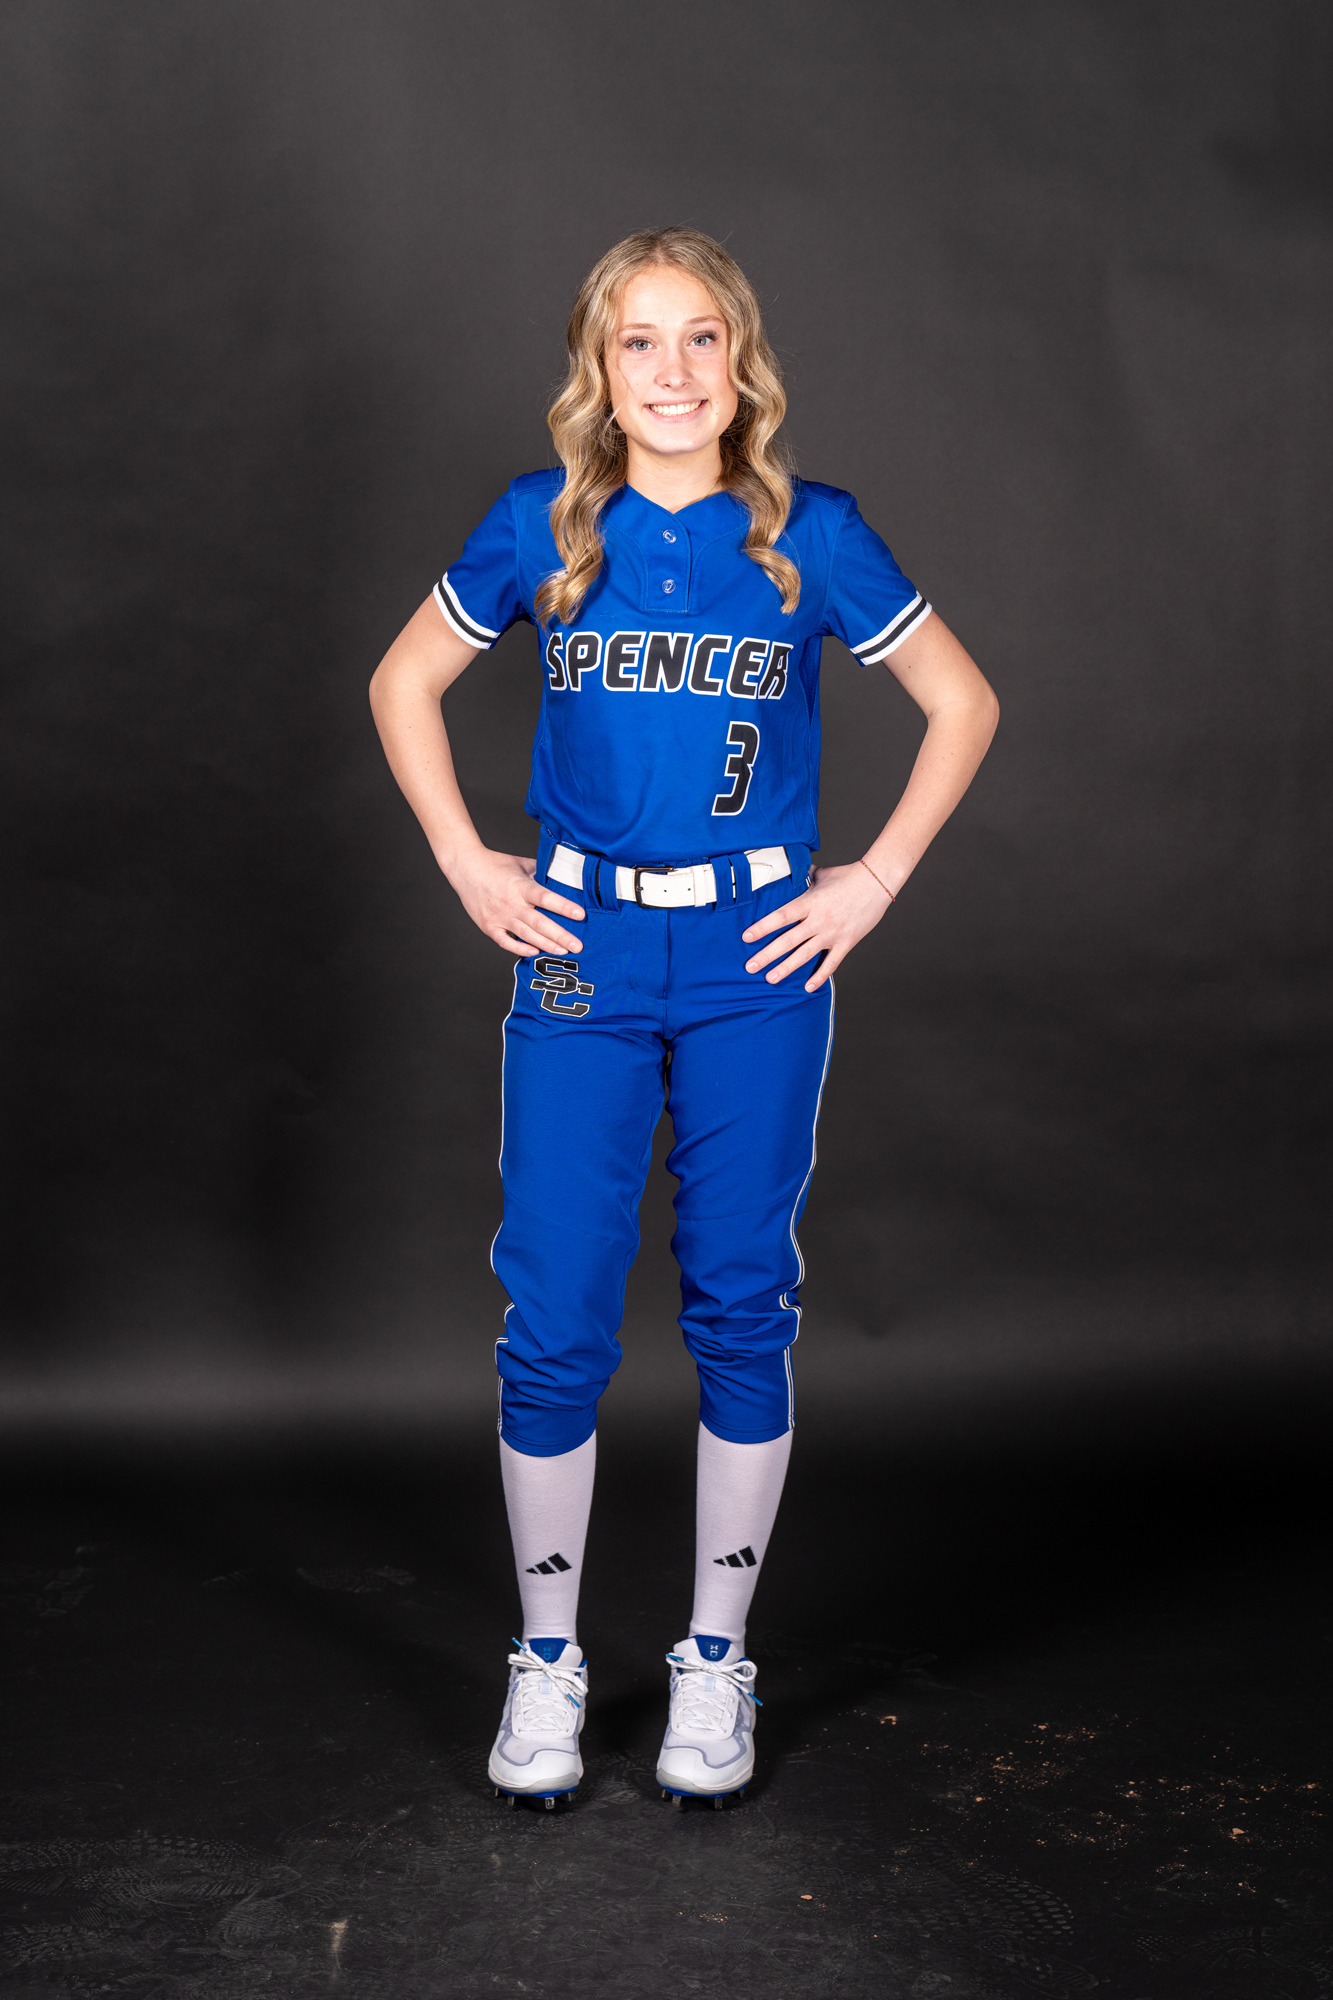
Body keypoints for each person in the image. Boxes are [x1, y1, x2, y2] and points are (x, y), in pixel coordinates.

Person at [369, 227, 998, 1810]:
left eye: (700, 337)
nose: (671, 370)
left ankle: (716, 1658)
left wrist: (873, 879)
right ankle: (547, 1658)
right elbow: (400, 682)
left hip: (752, 956)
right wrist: (462, 858)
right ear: (598, 367)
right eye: (637, 340)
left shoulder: (805, 532)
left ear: (741, 361)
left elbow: (962, 700)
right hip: (578, 950)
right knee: (555, 1310)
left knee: (738, 1296)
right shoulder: (542, 526)